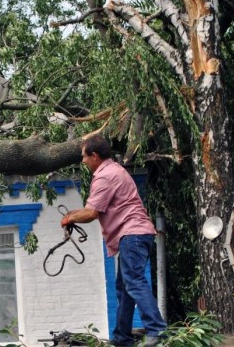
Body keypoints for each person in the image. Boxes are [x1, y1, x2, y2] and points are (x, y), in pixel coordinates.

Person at [60, 134, 166, 347]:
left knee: (134, 281)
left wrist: (69, 218)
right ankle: (122, 337)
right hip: (136, 234)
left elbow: (91, 213)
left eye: (84, 157)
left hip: (132, 234)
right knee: (124, 287)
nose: (83, 161)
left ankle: (157, 330)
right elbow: (93, 210)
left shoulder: (105, 176)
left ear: (95, 156)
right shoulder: (114, 170)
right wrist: (72, 215)